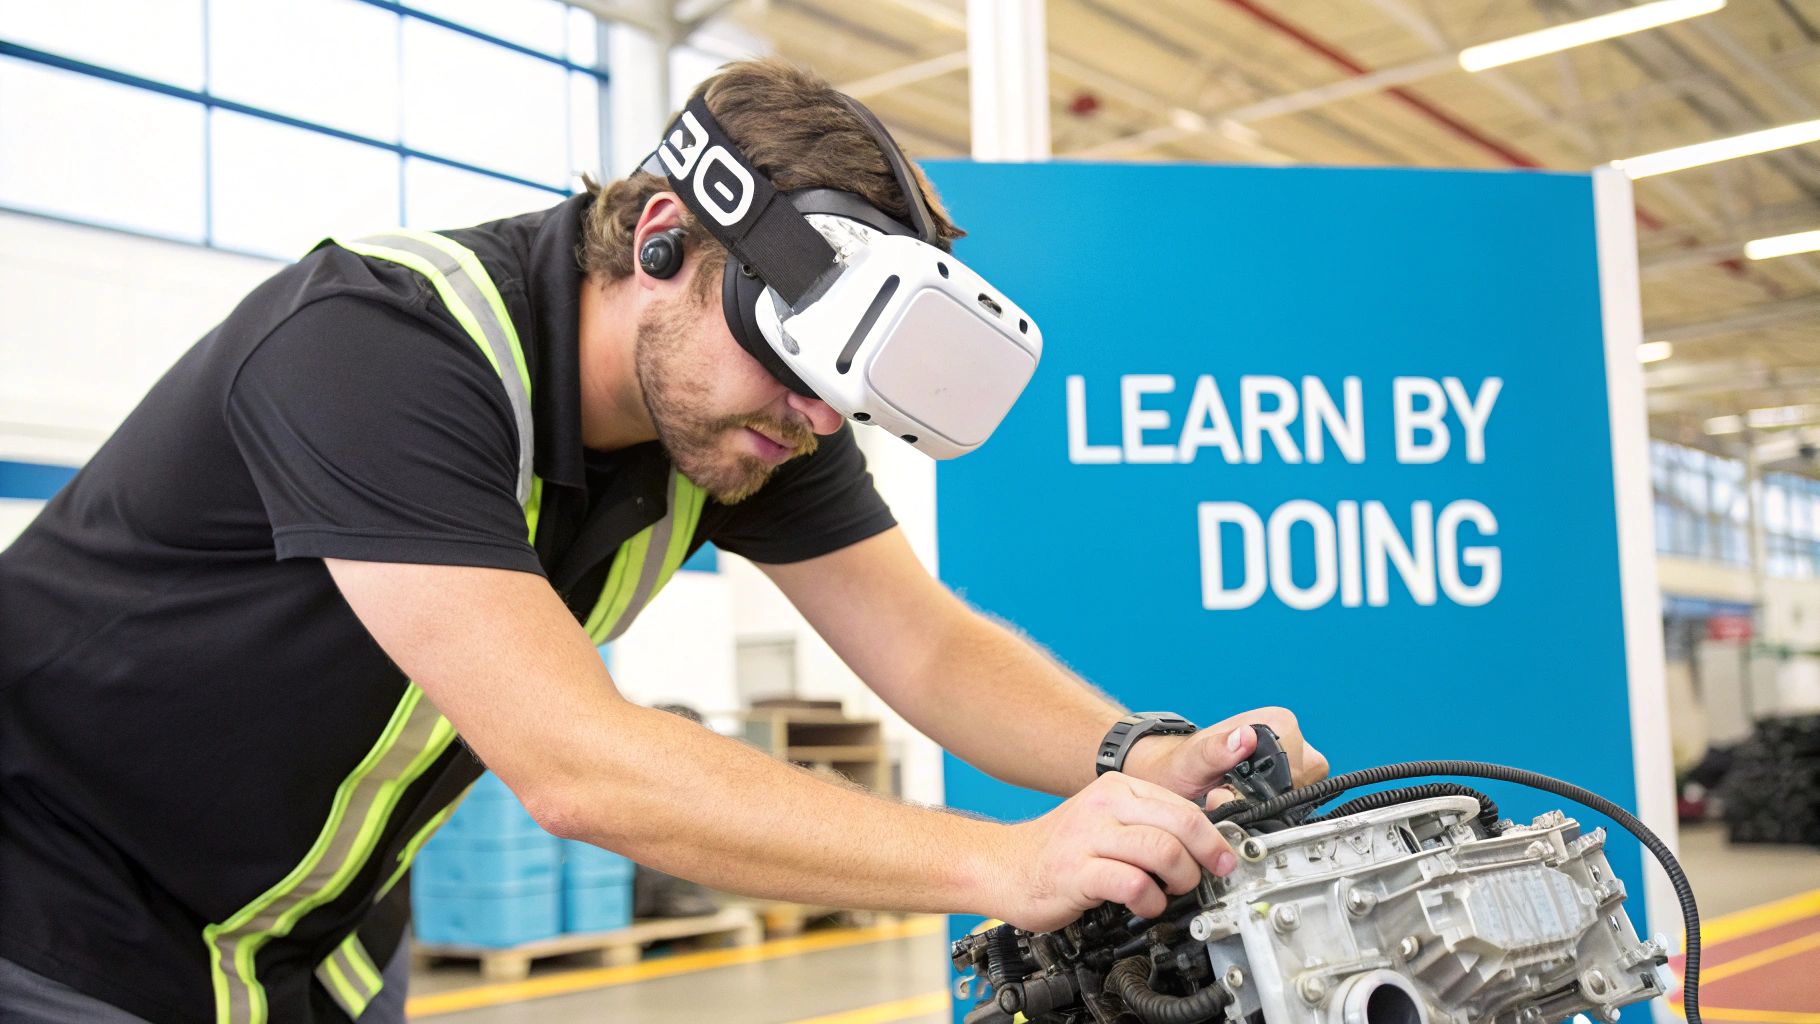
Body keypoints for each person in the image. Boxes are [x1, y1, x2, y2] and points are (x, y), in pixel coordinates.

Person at [0, 58, 1327, 1024]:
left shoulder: (741, 419)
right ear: (661, 238)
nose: (814, 422)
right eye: (792, 368)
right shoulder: (375, 348)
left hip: (314, 947)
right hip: (54, 909)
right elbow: (580, 768)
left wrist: (1150, 759)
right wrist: (1003, 857)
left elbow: (924, 647)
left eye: (839, 394)